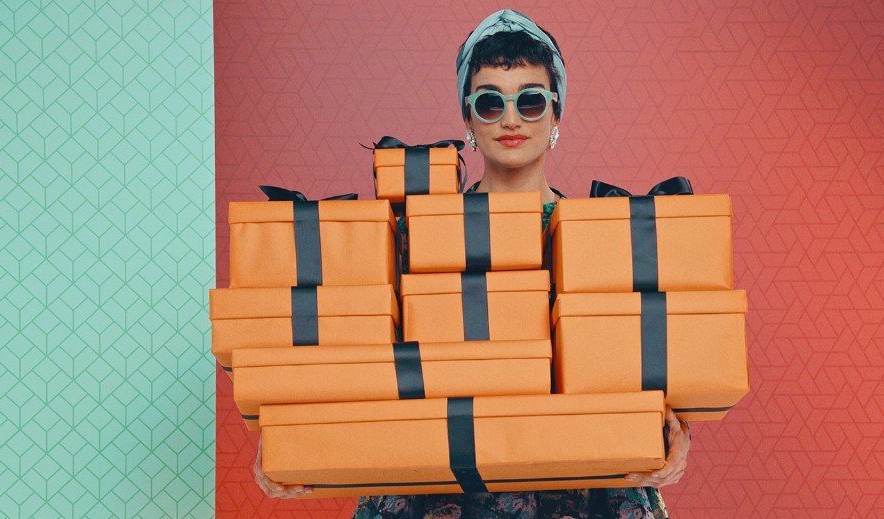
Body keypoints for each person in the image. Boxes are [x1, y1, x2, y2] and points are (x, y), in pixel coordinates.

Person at [253, 10, 691, 518]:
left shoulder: (608, 235)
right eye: (490, 103)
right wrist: (289, 436)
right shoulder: (409, 232)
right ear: (467, 119)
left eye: (530, 101)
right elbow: (344, 354)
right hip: (432, 492)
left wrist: (676, 432)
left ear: (556, 115)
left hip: (584, 492)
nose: (510, 119)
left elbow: (654, 362)